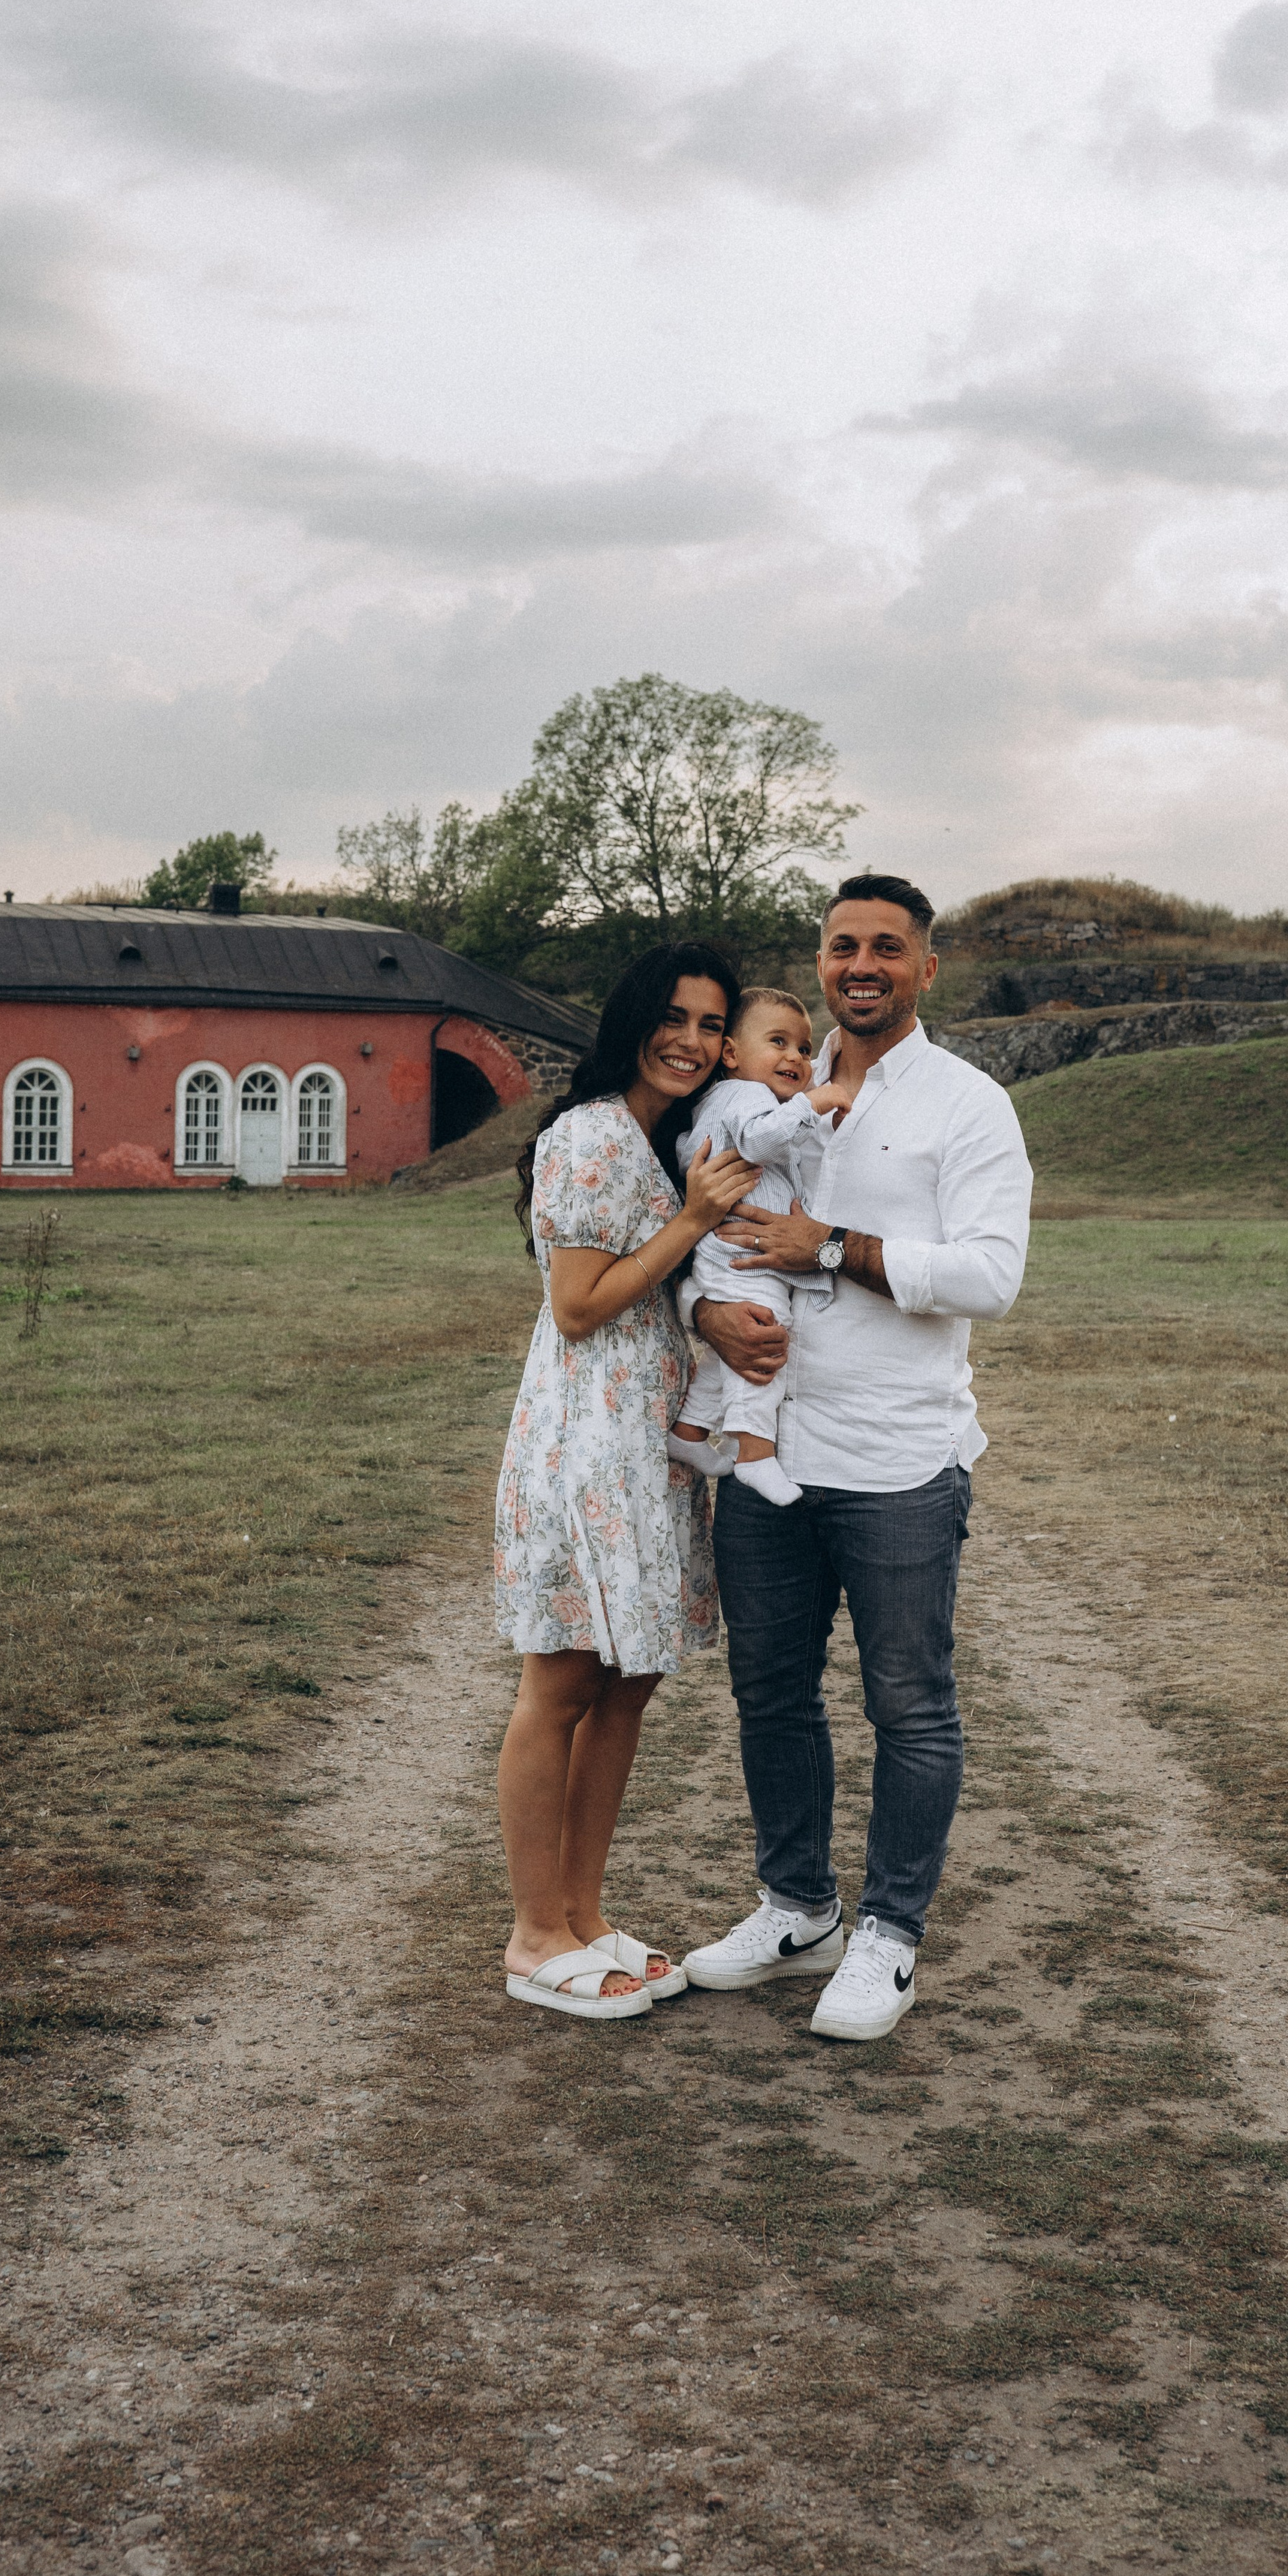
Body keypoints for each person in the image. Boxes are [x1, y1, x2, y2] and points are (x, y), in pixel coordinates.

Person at [677, 874, 1033, 2041]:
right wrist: (701, 1313)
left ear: (929, 968)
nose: (862, 965)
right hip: (769, 1453)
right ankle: (797, 1907)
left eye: (889, 948)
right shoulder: (759, 1088)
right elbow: (693, 1227)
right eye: (843, 947)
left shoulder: (969, 1107)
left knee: (909, 1704)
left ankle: (887, 1935)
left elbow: (990, 1276)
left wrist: (827, 1246)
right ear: (820, 961)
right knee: (770, 1693)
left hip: (896, 1459)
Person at [493, 941, 759, 2019]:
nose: (691, 1040)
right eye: (675, 1017)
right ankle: (532, 1934)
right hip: (581, 1448)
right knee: (559, 1686)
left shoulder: (675, 1137)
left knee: (628, 1683)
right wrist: (690, 1223)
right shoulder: (592, 1135)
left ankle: (586, 1913)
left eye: (711, 1023)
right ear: (634, 1019)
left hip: (649, 1450)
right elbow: (580, 1306)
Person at [667, 989, 848, 1509]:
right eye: (778, 1042)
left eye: (803, 1047)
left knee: (734, 1353)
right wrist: (814, 1103)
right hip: (740, 1255)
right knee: (763, 1343)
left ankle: (690, 1431)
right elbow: (757, 1143)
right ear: (732, 1054)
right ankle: (753, 1453)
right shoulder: (750, 1097)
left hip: (727, 1255)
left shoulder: (723, 1099)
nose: (795, 1056)